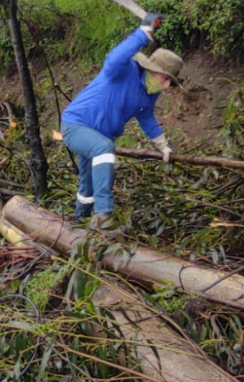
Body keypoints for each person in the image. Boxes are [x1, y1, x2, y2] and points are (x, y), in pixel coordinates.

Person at [60, 14, 183, 234]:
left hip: (96, 137)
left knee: (88, 184)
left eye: (169, 83)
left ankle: (78, 223)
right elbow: (115, 56)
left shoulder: (147, 95)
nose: (166, 87)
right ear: (154, 70)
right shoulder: (122, 70)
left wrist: (163, 146)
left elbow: (147, 119)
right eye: (165, 80)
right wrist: (143, 34)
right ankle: (103, 217)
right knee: (104, 148)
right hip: (75, 125)